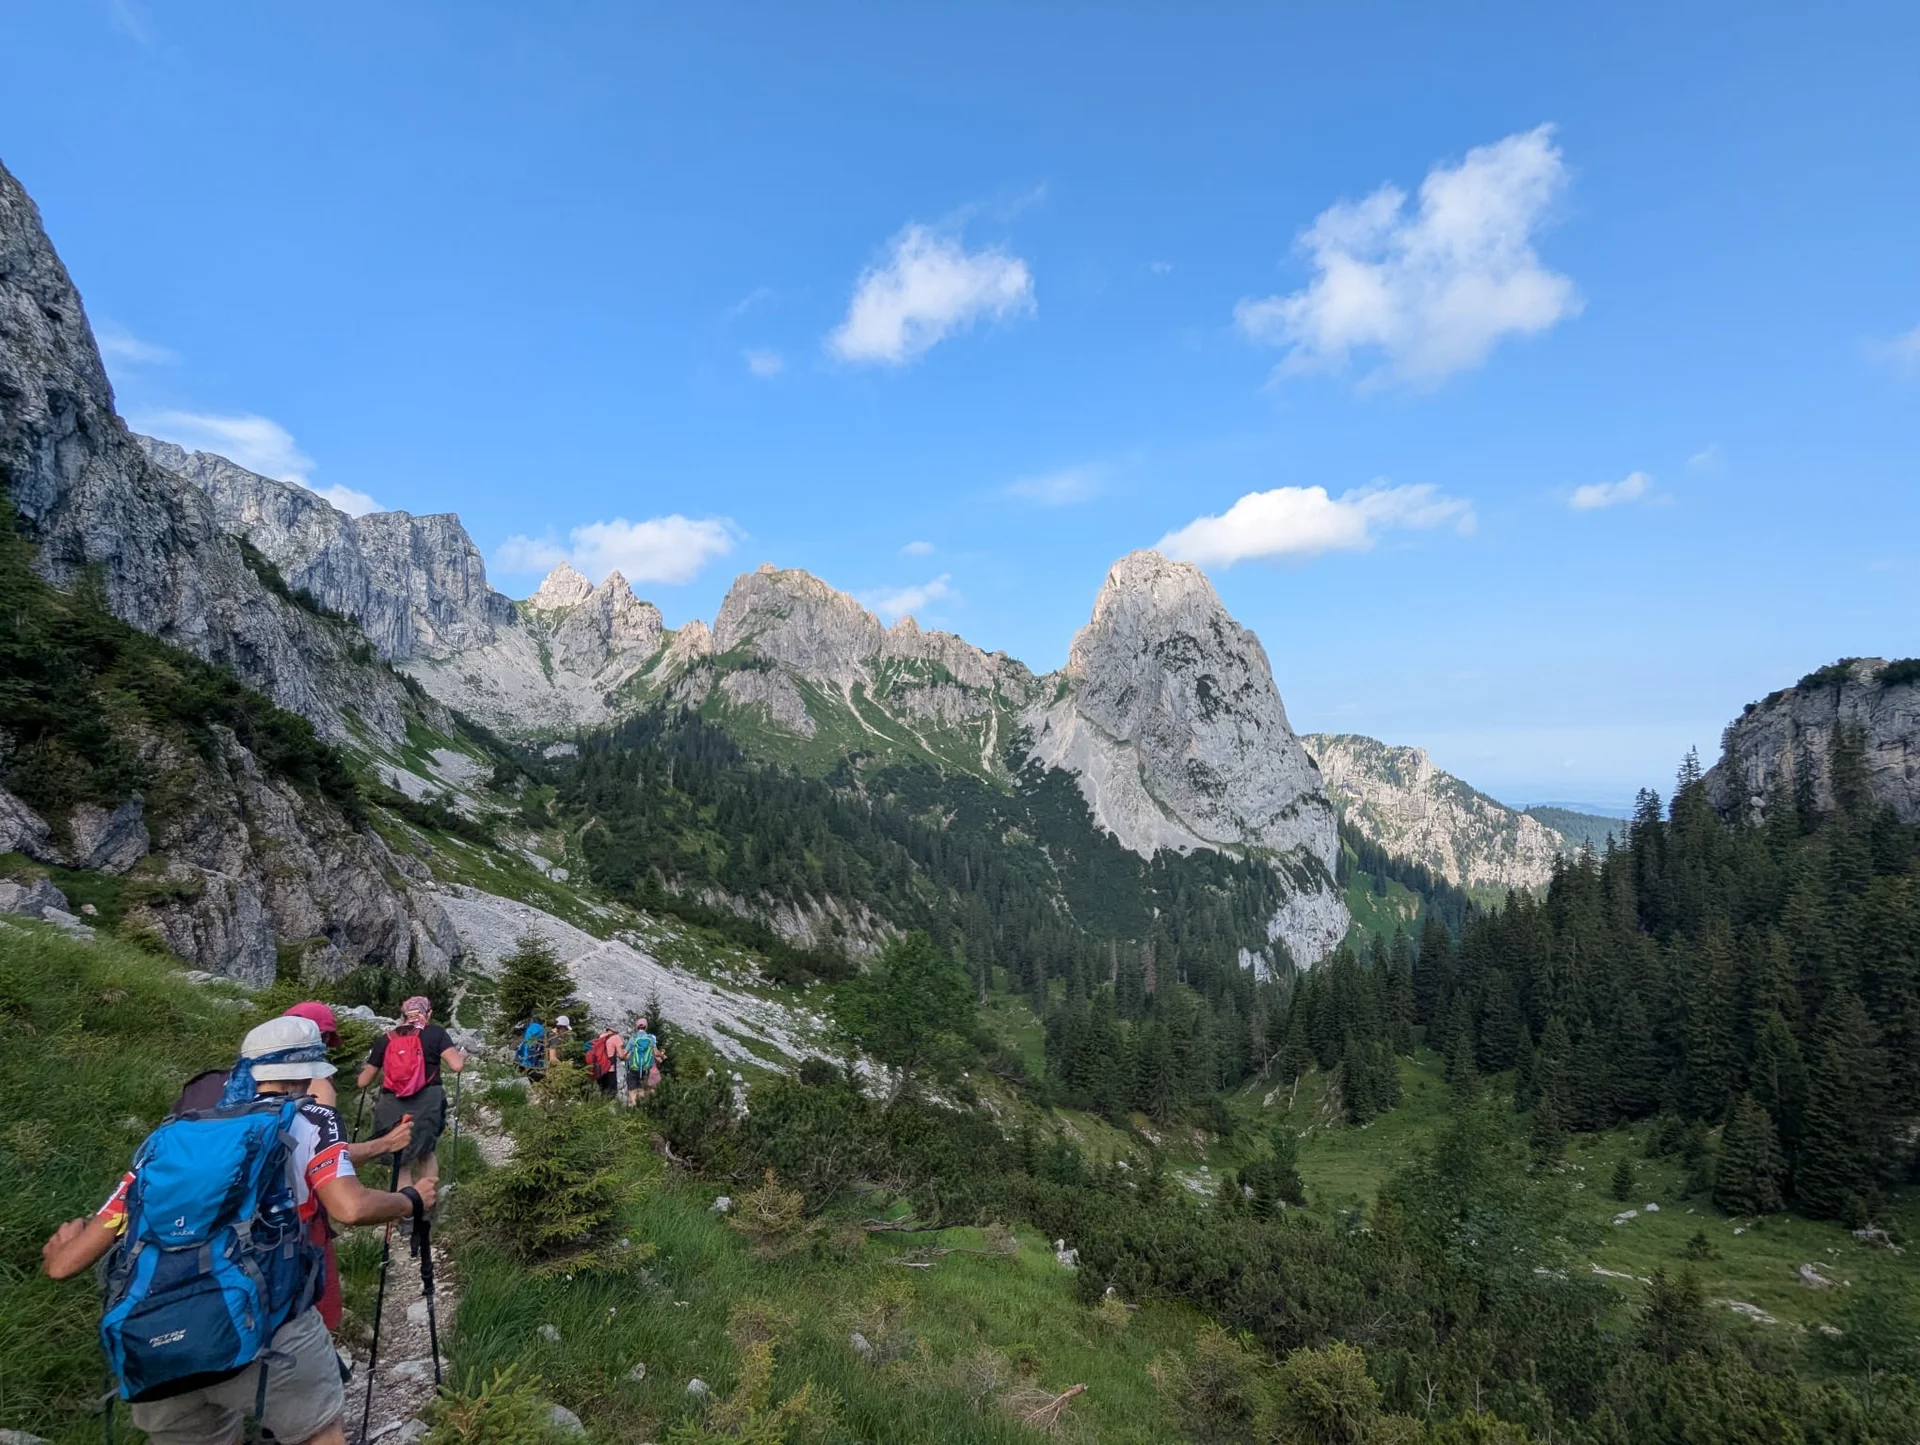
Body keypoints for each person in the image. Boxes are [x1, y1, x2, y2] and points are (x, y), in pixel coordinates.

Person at [41, 1015, 432, 1445]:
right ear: (307, 1074)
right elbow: (351, 1208)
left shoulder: (168, 1139)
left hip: (157, 1345)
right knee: (320, 1434)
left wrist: (62, 1246)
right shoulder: (309, 1120)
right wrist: (410, 1200)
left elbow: (64, 1265)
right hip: (267, 1329)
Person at [170, 1001, 412, 1338]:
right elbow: (326, 1167)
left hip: (199, 1249)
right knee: (305, 1333)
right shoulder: (310, 1094)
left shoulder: (206, 1089)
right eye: (325, 1044)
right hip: (288, 1234)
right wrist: (394, 1170)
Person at [356, 996, 464, 1209]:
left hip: (391, 1103)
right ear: (428, 1013)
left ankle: (405, 1212)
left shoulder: (386, 1039)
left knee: (401, 1161)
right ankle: (427, 1209)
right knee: (426, 1152)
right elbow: (456, 1066)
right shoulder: (436, 1034)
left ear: (403, 1015)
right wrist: (463, 1055)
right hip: (428, 1101)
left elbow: (363, 1082)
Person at [625, 1016, 663, 1106]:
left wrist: (621, 1056)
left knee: (632, 1090)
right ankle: (641, 1108)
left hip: (633, 1068)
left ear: (637, 1027)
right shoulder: (650, 1038)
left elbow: (625, 1053)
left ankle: (633, 1107)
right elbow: (656, 1053)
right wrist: (662, 1055)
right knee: (642, 1089)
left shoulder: (633, 1038)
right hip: (645, 1069)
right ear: (646, 1027)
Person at [586, 1024, 624, 1100]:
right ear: (615, 1031)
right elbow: (621, 1056)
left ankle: (601, 1108)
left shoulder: (601, 1036)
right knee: (611, 1093)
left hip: (600, 1069)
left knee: (603, 1091)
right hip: (610, 1069)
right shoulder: (616, 1037)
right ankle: (608, 1110)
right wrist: (627, 1057)